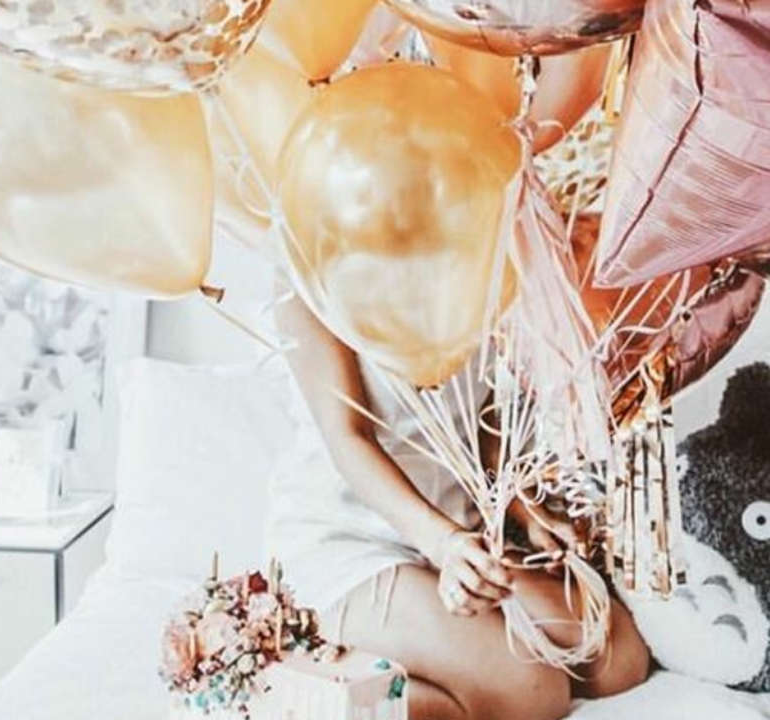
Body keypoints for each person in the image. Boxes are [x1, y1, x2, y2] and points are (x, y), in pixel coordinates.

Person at [274, 298, 649, 720]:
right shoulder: (307, 285)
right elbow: (348, 438)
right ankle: (316, 691)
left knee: (619, 661)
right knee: (532, 691)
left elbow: (482, 413)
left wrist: (523, 509)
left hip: (463, 532)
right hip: (354, 542)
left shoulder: (483, 269)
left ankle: (407, 685)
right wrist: (444, 544)